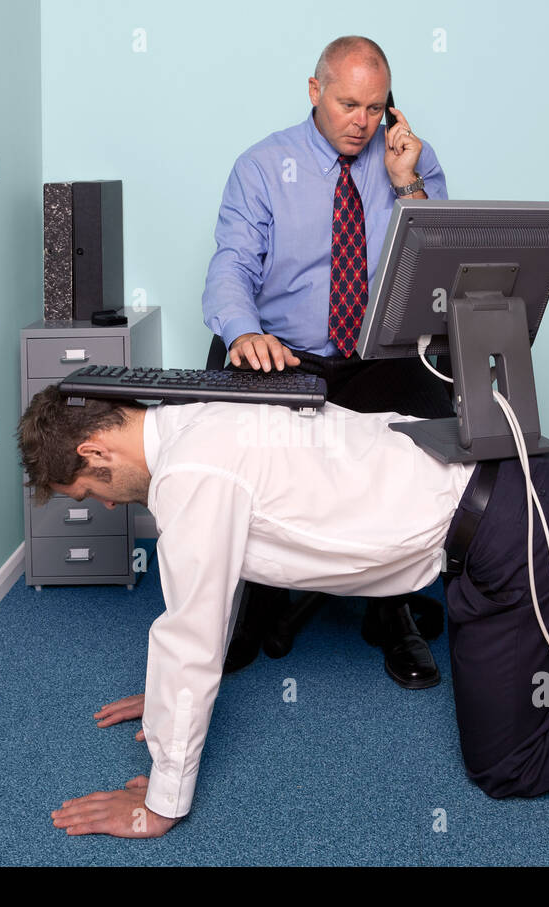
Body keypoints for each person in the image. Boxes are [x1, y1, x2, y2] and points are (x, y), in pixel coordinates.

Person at [15, 389, 549, 839]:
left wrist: (162, 800)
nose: (103, 504)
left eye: (87, 494)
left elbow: (189, 636)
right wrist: (160, 707)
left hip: (517, 534)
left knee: (513, 759)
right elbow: (197, 620)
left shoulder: (189, 479)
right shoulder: (195, 418)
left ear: (94, 454)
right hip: (518, 503)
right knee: (546, 683)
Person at [200, 35, 452, 689]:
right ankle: (259, 594)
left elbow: (437, 283)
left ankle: (391, 609)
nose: (361, 122)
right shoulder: (262, 166)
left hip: (376, 355)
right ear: (315, 91)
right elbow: (230, 264)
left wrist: (407, 189)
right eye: (347, 104)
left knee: (428, 407)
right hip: (288, 352)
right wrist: (243, 331)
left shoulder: (409, 165)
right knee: (238, 400)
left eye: (374, 108)